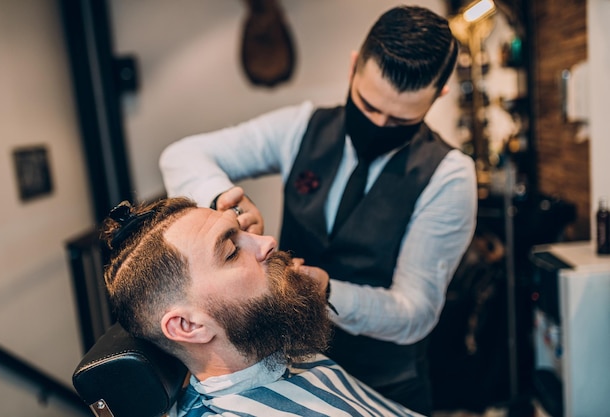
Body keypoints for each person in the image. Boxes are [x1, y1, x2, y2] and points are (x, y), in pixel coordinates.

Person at [159, 5, 477, 415]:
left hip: (386, 384)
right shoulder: (301, 127)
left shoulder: (449, 176)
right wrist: (226, 203)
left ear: (439, 96)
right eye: (367, 106)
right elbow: (182, 154)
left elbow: (415, 311)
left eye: (400, 120)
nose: (379, 125)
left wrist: (327, 291)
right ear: (352, 68)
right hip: (292, 370)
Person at [100, 197, 424, 416]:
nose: (268, 242)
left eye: (243, 232)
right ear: (189, 326)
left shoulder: (282, 349)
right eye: (230, 251)